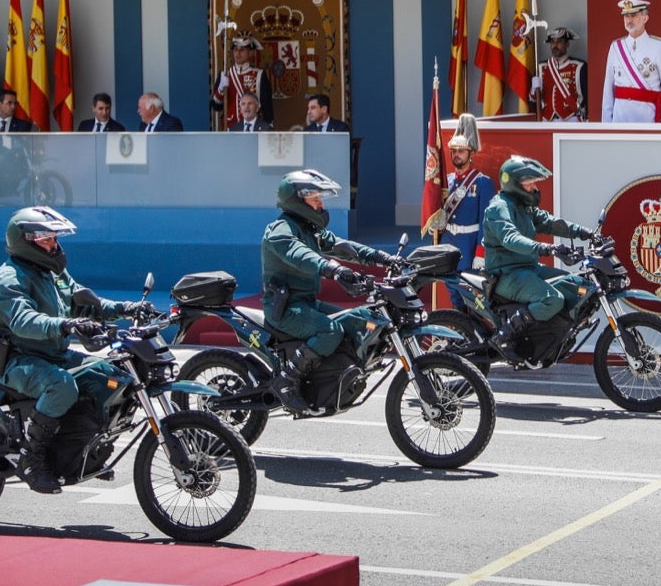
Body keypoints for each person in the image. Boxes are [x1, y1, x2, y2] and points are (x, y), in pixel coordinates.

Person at [0, 206, 150, 493]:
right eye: (47, 240)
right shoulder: (9, 279)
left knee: (108, 378)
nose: (55, 245)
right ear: (27, 241)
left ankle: (81, 453)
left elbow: (87, 304)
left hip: (53, 355)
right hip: (18, 360)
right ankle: (31, 459)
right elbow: (24, 321)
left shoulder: (53, 274)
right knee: (62, 386)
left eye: (55, 239)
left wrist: (126, 308)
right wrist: (65, 325)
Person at [261, 169, 401, 412]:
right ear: (297, 200)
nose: (321, 203)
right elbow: (300, 255)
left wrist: (382, 258)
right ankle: (287, 380)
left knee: (354, 322)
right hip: (285, 309)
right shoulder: (280, 231)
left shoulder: (308, 228)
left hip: (305, 303)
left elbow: (342, 246)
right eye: (315, 198)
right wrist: (333, 269)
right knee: (330, 330)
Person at [481, 156, 598, 353]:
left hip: (528, 269)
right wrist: (545, 248)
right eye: (529, 183)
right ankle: (506, 335)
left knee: (575, 287)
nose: (535, 187)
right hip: (506, 274)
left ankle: (549, 337)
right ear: (514, 184)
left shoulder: (523, 206)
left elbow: (550, 223)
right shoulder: (499, 208)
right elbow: (510, 238)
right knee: (552, 299)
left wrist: (585, 233)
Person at [424, 115, 494, 269]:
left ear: (471, 154)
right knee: (452, 290)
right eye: (454, 151)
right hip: (448, 244)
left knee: (466, 291)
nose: (456, 154)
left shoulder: (482, 183)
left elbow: (486, 223)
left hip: (468, 246)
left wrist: (481, 253)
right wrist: (435, 224)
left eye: (461, 151)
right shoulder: (446, 181)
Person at [601, 0, 661, 123]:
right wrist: (606, 124)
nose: (629, 20)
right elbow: (608, 89)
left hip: (648, 118)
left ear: (645, 18)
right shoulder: (616, 47)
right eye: (626, 16)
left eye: (633, 15)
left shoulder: (659, 46)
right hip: (620, 119)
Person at [212, 35, 274, 127]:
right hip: (231, 127)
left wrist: (269, 128)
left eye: (242, 50)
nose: (238, 53)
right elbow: (216, 107)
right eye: (236, 50)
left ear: (250, 53)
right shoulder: (225, 75)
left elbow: (267, 106)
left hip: (254, 128)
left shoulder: (259, 75)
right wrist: (220, 89)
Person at [535, 26, 587, 121]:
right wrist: (533, 90)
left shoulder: (579, 66)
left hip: (571, 119)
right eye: (552, 42)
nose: (555, 45)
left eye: (559, 42)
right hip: (547, 120)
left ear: (567, 44)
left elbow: (586, 98)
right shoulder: (541, 67)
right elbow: (533, 100)